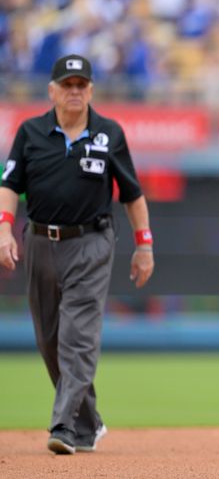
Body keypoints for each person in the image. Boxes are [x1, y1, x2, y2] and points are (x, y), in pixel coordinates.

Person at [0, 54, 154, 455]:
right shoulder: (31, 132)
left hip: (91, 242)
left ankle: (64, 426)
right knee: (49, 339)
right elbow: (9, 185)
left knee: (77, 336)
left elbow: (132, 195)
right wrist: (3, 229)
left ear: (91, 90)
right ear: (51, 90)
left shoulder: (109, 133)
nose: (74, 91)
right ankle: (89, 423)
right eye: (66, 85)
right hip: (38, 241)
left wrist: (144, 245)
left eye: (80, 85)